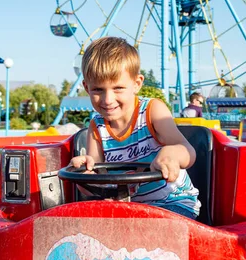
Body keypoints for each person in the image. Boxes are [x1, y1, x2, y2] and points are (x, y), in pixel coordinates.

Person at [69, 37, 201, 219]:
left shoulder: (152, 111)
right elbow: (97, 183)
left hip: (173, 203)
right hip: (130, 210)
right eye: (98, 90)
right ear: (86, 87)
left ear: (137, 84)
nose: (108, 99)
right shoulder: (97, 128)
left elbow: (188, 151)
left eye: (118, 88)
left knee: (146, 231)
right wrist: (83, 173)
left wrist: (172, 153)